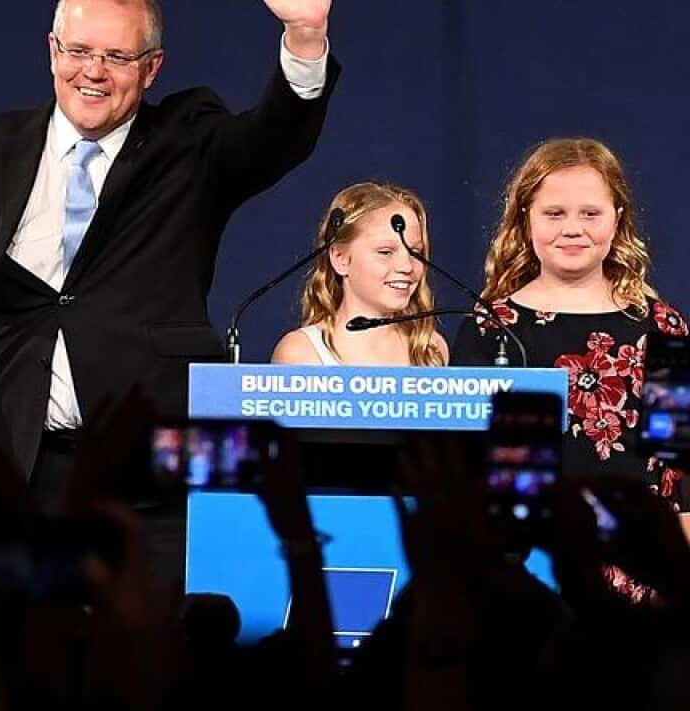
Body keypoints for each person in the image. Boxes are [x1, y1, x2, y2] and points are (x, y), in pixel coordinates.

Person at [0, 0, 339, 510]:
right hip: (11, 468)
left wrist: (305, 34)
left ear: (152, 67)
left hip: (156, 472)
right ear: (52, 51)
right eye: (79, 51)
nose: (93, 71)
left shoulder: (187, 139)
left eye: (117, 57)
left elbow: (273, 139)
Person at [450, 137, 690, 595]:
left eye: (590, 214)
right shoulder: (489, 328)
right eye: (554, 214)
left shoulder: (662, 325)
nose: (573, 229)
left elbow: (682, 467)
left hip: (643, 573)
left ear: (617, 218)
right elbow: (469, 470)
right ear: (525, 218)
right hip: (526, 577)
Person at [271, 182, 448, 366]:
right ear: (340, 259)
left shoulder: (431, 349)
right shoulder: (301, 353)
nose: (407, 266)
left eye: (415, 253)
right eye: (385, 252)